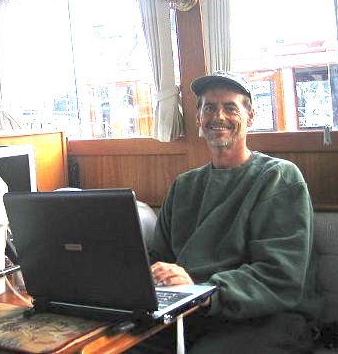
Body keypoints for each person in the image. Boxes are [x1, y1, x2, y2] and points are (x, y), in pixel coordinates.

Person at [137, 71, 323, 353]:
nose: (218, 116)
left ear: (250, 117)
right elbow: (158, 256)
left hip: (269, 317)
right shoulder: (184, 185)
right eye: (209, 107)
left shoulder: (279, 177)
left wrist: (201, 291)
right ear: (198, 119)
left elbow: (279, 275)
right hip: (190, 312)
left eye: (230, 108)